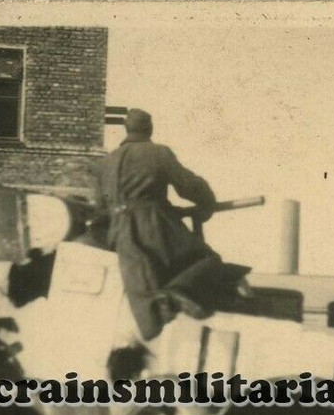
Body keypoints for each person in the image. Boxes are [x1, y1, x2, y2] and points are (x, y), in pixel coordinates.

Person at [97, 108, 248, 342]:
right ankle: (177, 292)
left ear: (126, 129)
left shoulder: (106, 161)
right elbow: (189, 186)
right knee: (209, 260)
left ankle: (158, 312)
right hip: (153, 228)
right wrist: (207, 203)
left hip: (119, 235)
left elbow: (101, 205)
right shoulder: (158, 153)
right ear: (149, 129)